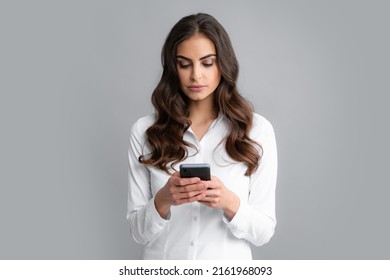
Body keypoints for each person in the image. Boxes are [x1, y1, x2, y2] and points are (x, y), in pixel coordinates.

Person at [127, 13, 277, 260]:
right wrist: (163, 199)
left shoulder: (256, 130)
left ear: (223, 64)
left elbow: (263, 233)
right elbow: (137, 232)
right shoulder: (144, 132)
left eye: (207, 63)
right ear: (173, 68)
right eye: (185, 64)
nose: (196, 75)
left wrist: (229, 202)